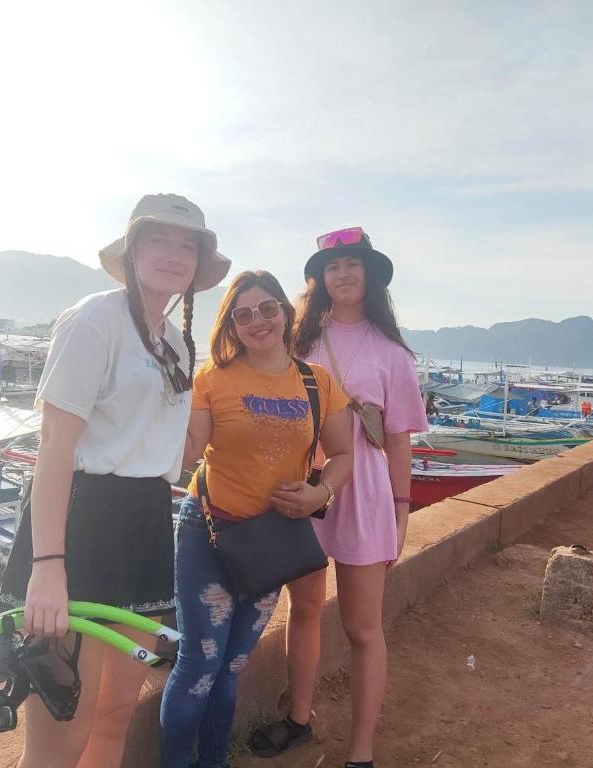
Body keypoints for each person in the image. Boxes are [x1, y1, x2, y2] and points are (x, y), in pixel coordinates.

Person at [0, 194, 230, 768]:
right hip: (83, 518)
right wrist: (47, 567)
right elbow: (55, 446)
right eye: (159, 239)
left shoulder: (175, 341)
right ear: (131, 250)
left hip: (147, 518)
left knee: (116, 713)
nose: (174, 254)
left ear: (199, 264)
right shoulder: (94, 319)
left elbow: (168, 450)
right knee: (63, 721)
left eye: (188, 244)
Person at [249, 227, 428, 768]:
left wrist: (401, 512)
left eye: (354, 264)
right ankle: (298, 721)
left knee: (362, 627)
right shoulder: (298, 342)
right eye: (333, 267)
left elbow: (397, 441)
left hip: (367, 490)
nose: (343, 274)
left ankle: (360, 753)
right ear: (319, 279)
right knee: (302, 609)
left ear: (370, 275)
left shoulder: (394, 353)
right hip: (302, 485)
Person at [160, 270, 353, 768]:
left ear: (287, 314)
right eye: (243, 314)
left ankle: (215, 761)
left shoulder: (317, 382)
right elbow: (184, 455)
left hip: (272, 541)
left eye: (268, 308)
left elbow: (344, 454)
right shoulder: (212, 379)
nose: (258, 321)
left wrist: (319, 493)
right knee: (199, 665)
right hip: (211, 532)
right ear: (231, 326)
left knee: (232, 668)